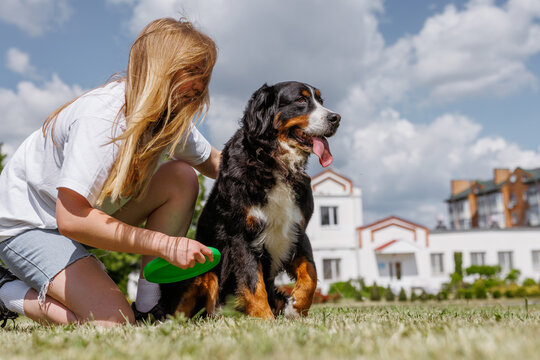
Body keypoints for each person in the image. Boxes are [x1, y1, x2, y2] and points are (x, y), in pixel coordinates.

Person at [0, 18, 221, 327]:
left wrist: (279, 177)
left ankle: (149, 307)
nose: (201, 86)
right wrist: (165, 244)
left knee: (181, 176)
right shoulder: (102, 119)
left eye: (205, 75)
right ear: (161, 69)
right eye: (193, 72)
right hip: (31, 225)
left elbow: (215, 161)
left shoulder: (168, 118)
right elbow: (72, 218)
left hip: (85, 219)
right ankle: (6, 291)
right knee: (112, 323)